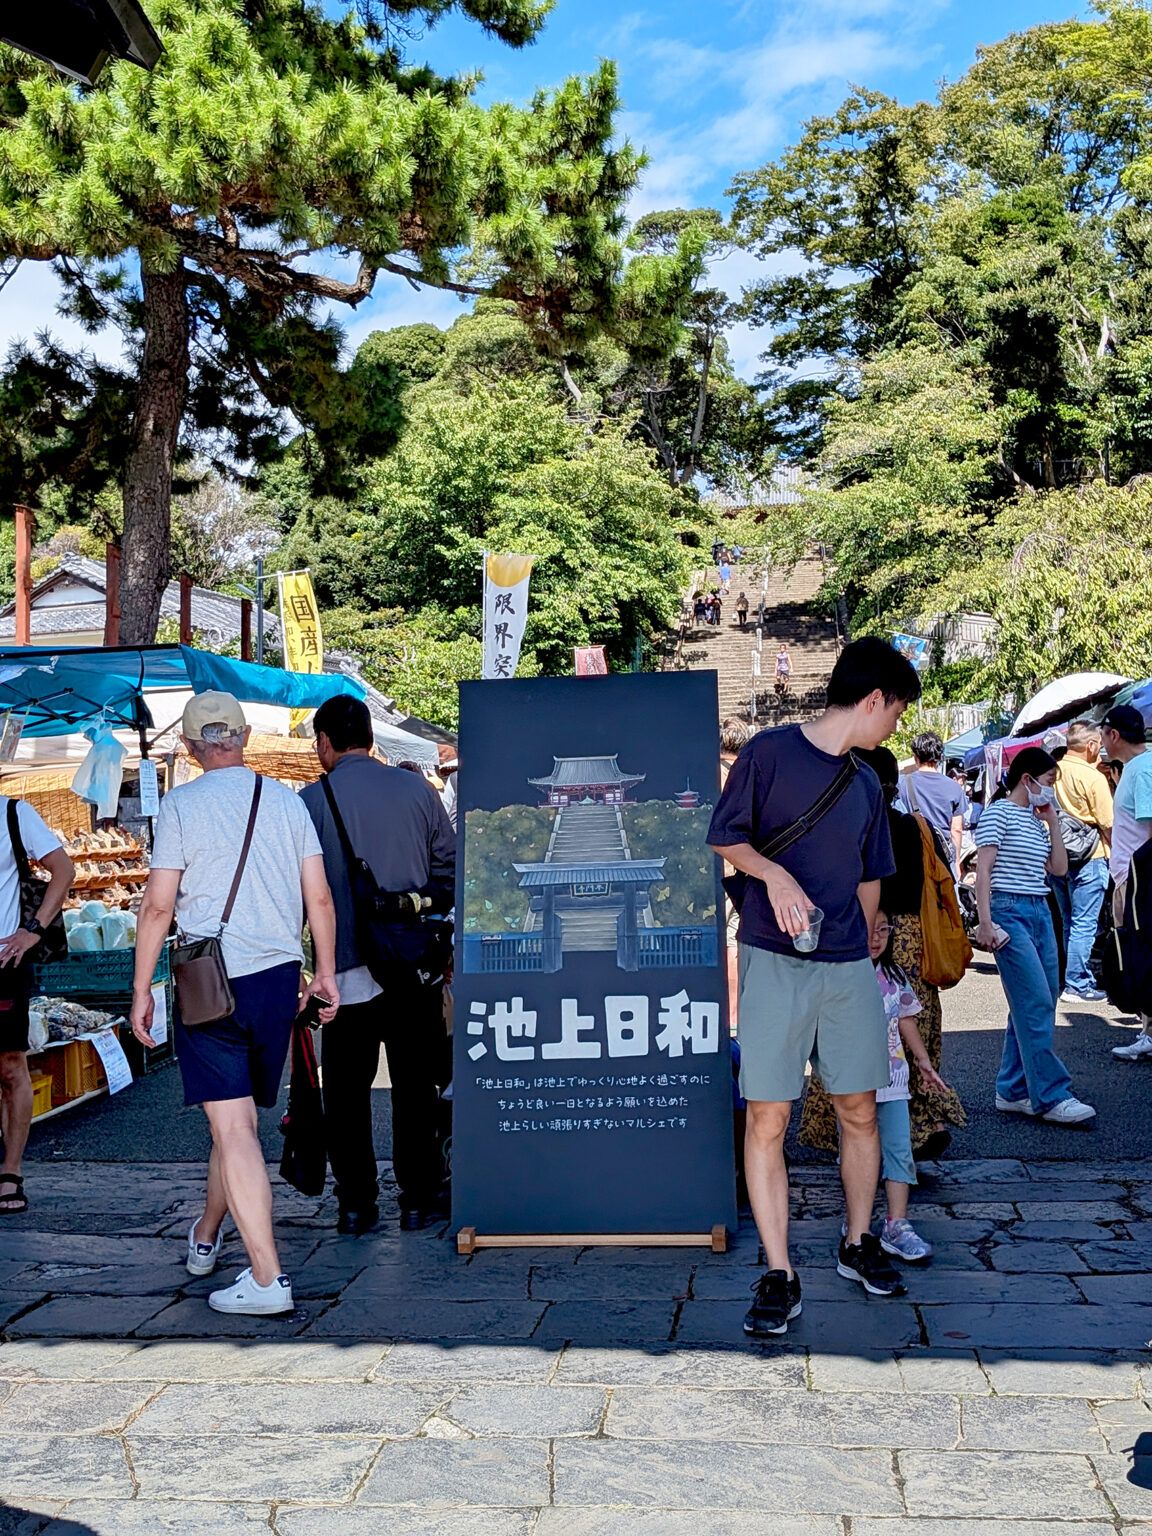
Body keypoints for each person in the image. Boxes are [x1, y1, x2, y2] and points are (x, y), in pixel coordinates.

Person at [708, 636, 923, 1338]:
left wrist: (868, 934)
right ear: (872, 701)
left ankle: (858, 1242)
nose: (895, 726)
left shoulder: (865, 782)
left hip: (846, 970)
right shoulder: (769, 754)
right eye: (896, 712)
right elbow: (725, 839)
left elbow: (870, 874)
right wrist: (772, 874)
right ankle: (779, 1270)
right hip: (774, 959)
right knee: (769, 1116)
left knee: (860, 1107)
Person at [131, 692, 339, 1316]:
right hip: (277, 979)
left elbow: (158, 907)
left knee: (234, 1127)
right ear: (243, 736)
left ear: (192, 748)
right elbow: (320, 899)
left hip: (209, 983)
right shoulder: (286, 802)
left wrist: (141, 989)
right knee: (236, 1121)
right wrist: (324, 973)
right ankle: (205, 1233)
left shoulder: (181, 805)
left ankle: (268, 1278)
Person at [301, 695, 456, 1234]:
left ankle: (356, 1203)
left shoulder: (310, 802)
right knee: (416, 1084)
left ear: (324, 741)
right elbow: (450, 870)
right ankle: (417, 1195)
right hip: (413, 967)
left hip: (341, 972)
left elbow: (297, 892)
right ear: (370, 737)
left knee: (345, 1091)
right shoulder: (418, 790)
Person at [800, 745, 966, 1162]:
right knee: (915, 1027)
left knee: (849, 1030)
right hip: (911, 937)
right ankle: (925, 1124)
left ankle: (847, 1131)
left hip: (862, 931)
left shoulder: (847, 827)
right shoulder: (915, 827)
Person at [974, 747, 1095, 1125]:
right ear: (1027, 779)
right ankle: (1051, 1094)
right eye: (1048, 782)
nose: (1051, 790)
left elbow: (1058, 868)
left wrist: (1054, 821)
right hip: (1010, 912)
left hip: (1040, 911)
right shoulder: (998, 813)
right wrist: (986, 923)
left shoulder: (1035, 820)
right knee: (1037, 1003)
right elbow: (983, 871)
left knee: (1035, 1002)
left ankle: (1012, 1089)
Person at [0, 806, 74, 1215]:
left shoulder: (14, 813)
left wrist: (34, 929)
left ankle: (10, 1171)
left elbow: (63, 870)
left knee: (11, 1066)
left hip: (4, 960)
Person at [1098, 705, 1152, 1061]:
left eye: (1103, 734)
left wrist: (1136, 872)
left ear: (1113, 734)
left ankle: (1148, 1032)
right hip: (1133, 878)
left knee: (1140, 952)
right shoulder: (1137, 770)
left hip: (1138, 882)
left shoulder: (1141, 771)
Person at [1052, 720, 1113, 1004]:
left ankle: (1070, 977)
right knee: (1084, 923)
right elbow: (1108, 823)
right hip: (1090, 856)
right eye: (1099, 745)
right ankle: (1078, 984)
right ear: (1090, 746)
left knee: (1069, 922)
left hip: (1057, 855)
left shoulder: (1053, 771)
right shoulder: (1093, 778)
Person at [897, 732, 964, 872]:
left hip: (911, 857)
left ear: (916, 757)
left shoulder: (903, 783)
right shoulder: (954, 787)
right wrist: (957, 861)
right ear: (939, 757)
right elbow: (956, 829)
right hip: (943, 858)